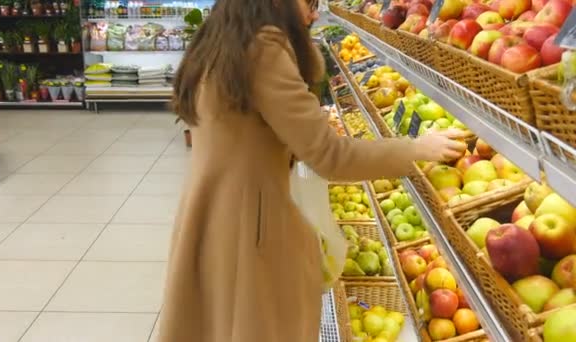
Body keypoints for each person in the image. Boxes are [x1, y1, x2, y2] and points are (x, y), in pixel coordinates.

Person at [157, 0, 466, 341]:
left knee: (218, 321)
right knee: (255, 323)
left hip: (212, 209)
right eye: (309, 3)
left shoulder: (219, 38)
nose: (314, 13)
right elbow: (329, 155)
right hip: (252, 226)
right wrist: (418, 149)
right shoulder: (264, 49)